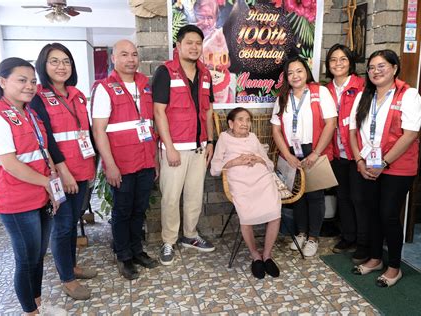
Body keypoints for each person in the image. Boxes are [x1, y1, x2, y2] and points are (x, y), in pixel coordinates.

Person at [0, 57, 65, 315]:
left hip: (41, 194)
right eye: (22, 80)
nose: (30, 86)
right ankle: (30, 311)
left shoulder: (29, 113)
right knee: (25, 259)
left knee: (37, 256)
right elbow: (10, 164)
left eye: (33, 81)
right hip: (16, 200)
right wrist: (48, 184)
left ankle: (36, 303)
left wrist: (53, 184)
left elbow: (42, 150)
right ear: (2, 82)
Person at [349, 49, 421, 287]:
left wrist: (385, 162)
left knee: (388, 215)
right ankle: (375, 258)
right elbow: (352, 130)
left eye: (381, 66)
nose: (375, 71)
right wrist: (360, 161)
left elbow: (410, 133)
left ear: (394, 68)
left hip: (397, 167)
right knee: (372, 213)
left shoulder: (409, 95)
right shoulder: (364, 96)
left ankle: (394, 267)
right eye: (371, 68)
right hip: (369, 165)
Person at [30, 43, 97, 300]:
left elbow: (85, 133)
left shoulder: (77, 94)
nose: (61, 66)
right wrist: (63, 171)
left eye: (66, 61)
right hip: (61, 174)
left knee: (74, 221)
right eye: (54, 61)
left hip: (82, 169)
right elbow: (46, 139)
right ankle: (67, 279)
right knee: (63, 225)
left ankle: (72, 266)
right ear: (43, 66)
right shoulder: (37, 97)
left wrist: (93, 166)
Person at [91, 39, 159, 280]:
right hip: (121, 163)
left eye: (134, 54)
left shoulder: (144, 85)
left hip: (145, 161)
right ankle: (123, 255)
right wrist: (109, 165)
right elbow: (99, 131)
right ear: (113, 59)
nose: (130, 59)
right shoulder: (104, 88)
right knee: (122, 210)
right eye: (124, 55)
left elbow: (150, 126)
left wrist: (155, 161)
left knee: (139, 209)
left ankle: (137, 250)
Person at [153, 25, 215, 265]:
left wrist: (210, 141)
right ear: (178, 46)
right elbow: (159, 112)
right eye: (189, 42)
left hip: (199, 148)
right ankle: (168, 240)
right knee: (170, 198)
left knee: (193, 196)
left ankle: (190, 235)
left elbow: (207, 112)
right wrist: (168, 147)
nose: (194, 47)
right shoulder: (165, 72)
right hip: (175, 148)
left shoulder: (206, 74)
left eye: (198, 43)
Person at [271, 56, 337, 257]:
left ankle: (313, 237)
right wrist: (286, 155)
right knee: (297, 195)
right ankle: (301, 233)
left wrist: (316, 153)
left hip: (314, 150)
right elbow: (275, 130)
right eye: (290, 73)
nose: (295, 76)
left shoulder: (320, 92)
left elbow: (330, 123)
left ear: (306, 72)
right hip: (292, 152)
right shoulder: (283, 97)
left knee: (315, 196)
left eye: (299, 71)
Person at [210, 107, 281, 279]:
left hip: (262, 180)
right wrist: (235, 161)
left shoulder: (253, 137)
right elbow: (214, 169)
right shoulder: (224, 139)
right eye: (241, 119)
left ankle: (267, 255)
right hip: (240, 183)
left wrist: (258, 159)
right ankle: (255, 255)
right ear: (231, 123)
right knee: (246, 215)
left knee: (275, 212)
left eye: (248, 120)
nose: (245, 123)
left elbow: (270, 164)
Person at [325, 44, 368, 263]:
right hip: (337, 153)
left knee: (359, 198)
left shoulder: (362, 86)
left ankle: (363, 243)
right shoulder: (325, 90)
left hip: (358, 153)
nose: (338, 63)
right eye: (333, 59)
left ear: (350, 62)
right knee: (342, 196)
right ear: (328, 63)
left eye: (343, 59)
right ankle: (348, 237)